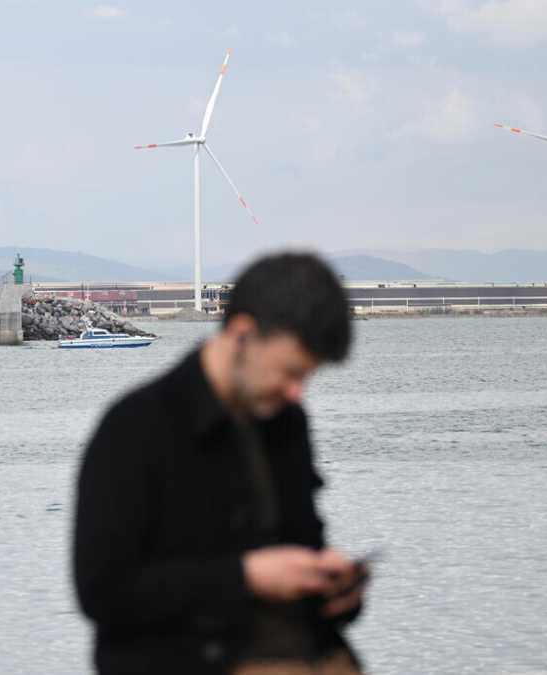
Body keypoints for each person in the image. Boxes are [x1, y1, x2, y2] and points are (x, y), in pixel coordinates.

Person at [73, 252, 366, 674]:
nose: (296, 392)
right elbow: (103, 592)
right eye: (289, 372)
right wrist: (245, 577)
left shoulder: (286, 421)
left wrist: (334, 588)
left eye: (306, 377)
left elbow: (301, 546)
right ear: (242, 333)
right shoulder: (134, 429)